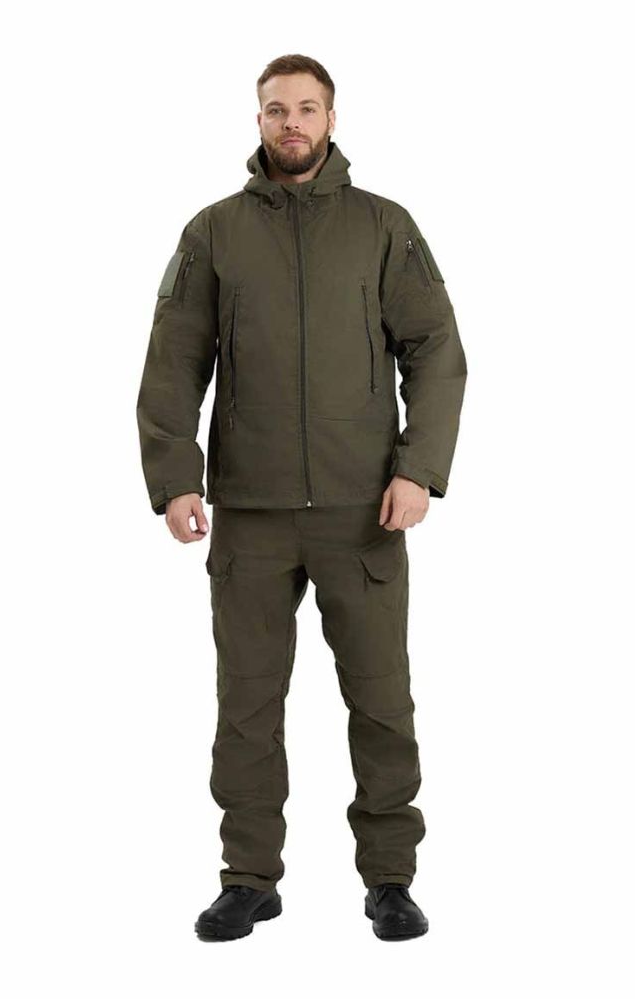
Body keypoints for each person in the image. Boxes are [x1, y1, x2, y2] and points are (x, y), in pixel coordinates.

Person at [136, 53, 467, 941]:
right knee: (246, 706)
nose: (292, 123)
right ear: (258, 120)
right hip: (249, 512)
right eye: (277, 109)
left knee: (381, 701)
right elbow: (173, 361)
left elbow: (435, 351)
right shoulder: (214, 232)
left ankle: (389, 879)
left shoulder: (384, 226)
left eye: (307, 108)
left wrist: (418, 468)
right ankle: (249, 878)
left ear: (330, 118)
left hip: (365, 511)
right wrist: (175, 477)